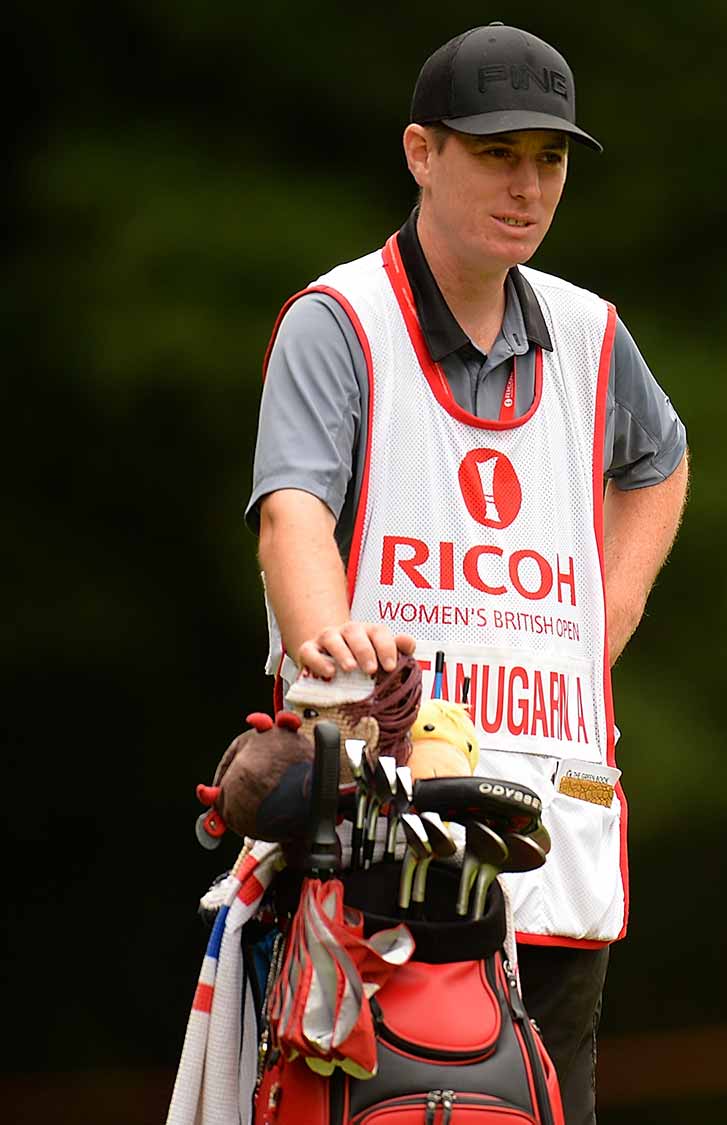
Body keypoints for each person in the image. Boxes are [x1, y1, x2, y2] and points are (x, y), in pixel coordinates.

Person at [247, 23, 688, 1124]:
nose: (528, 185)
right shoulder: (338, 320)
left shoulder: (589, 330)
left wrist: (607, 615)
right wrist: (323, 640)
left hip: (552, 832)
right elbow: (290, 510)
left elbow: (659, 463)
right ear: (420, 152)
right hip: (372, 840)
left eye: (549, 159)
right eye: (497, 153)